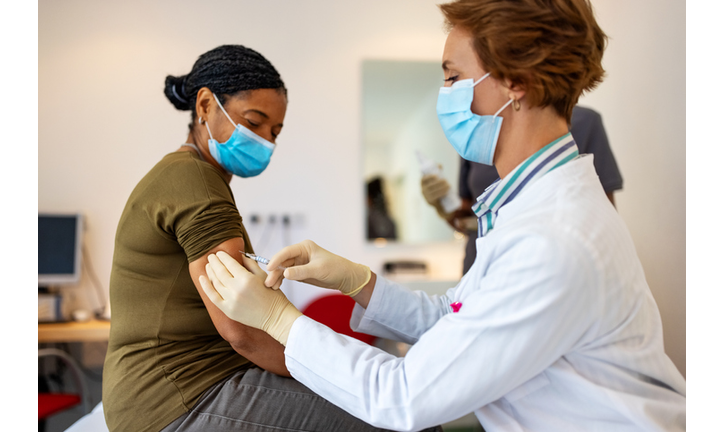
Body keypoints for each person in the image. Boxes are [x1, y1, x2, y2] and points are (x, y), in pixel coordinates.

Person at [199, 1, 687, 431]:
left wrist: (283, 323)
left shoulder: (554, 240)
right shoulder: (528, 208)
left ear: (515, 82)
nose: (445, 93)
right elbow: (456, 318)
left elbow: (404, 396)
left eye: (453, 76)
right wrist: (357, 281)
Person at [102, 45, 437, 432]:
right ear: (206, 105)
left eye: (274, 131)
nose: (266, 141)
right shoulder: (196, 181)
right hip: (179, 397)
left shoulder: (187, 176)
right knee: (405, 418)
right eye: (254, 122)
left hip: (174, 390)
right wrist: (336, 375)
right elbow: (241, 330)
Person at [422, 105, 623, 274]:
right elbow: (470, 216)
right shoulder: (475, 131)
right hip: (481, 263)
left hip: (546, 262)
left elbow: (602, 217)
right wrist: (444, 204)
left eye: (455, 77)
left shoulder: (584, 122)